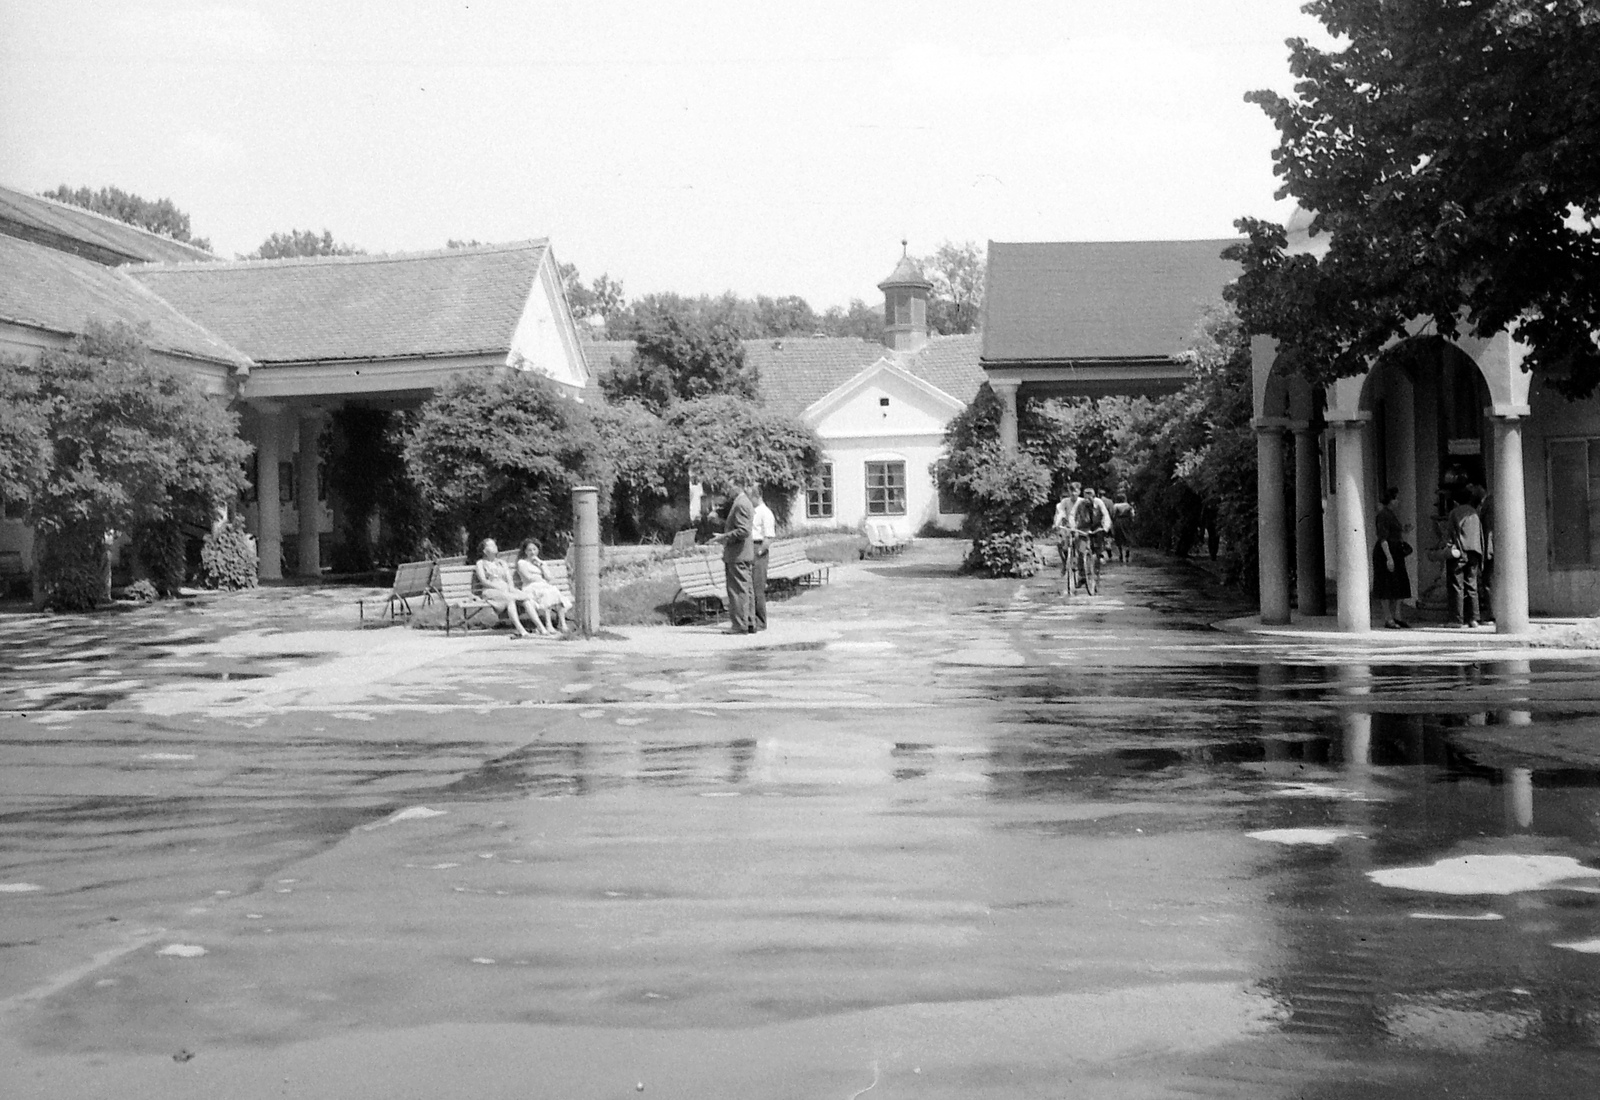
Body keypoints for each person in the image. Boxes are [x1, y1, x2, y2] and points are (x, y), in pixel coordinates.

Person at [472, 537, 538, 639]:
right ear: (485, 551)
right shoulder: (480, 563)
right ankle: (521, 630)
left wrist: (511, 587)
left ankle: (541, 627)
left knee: (525, 598)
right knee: (510, 599)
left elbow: (509, 579)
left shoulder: (502, 563)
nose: (495, 546)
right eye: (491, 545)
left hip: (506, 588)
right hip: (490, 590)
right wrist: (497, 587)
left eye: (495, 544)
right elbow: (484, 581)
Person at [717, 482, 756, 634]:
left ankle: (739, 625)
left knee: (738, 590)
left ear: (737, 487)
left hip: (738, 554)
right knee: (747, 589)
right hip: (743, 554)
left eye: (729, 487)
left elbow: (743, 531)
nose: (727, 491)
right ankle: (750, 622)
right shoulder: (745, 502)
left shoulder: (740, 504)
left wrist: (724, 537)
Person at [1371, 487, 1411, 628]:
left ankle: (1397, 615)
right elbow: (1383, 537)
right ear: (1391, 500)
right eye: (1396, 498)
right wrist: (1389, 557)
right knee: (1386, 585)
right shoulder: (1383, 515)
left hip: (1396, 550)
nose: (1398, 501)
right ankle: (1388, 618)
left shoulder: (1392, 515)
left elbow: (1394, 533)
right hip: (1386, 552)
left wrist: (1404, 530)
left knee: (1398, 584)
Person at [1447, 485, 1485, 628]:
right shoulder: (1474, 513)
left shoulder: (1454, 513)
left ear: (1456, 501)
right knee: (1472, 585)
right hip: (1474, 552)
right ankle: (1473, 618)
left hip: (1460, 552)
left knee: (1457, 585)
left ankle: (1456, 620)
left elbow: (1450, 533)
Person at [515, 538, 572, 635]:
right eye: (529, 550)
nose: (532, 552)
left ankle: (562, 624)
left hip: (544, 587)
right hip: (531, 588)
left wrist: (541, 565)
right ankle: (549, 624)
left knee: (555, 593)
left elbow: (549, 578)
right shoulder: (522, 563)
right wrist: (541, 579)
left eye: (534, 549)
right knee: (549, 592)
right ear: (525, 551)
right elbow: (528, 578)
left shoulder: (541, 563)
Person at [750, 484, 776, 632]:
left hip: (758, 549)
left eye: (751, 496)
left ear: (756, 496)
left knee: (758, 587)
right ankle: (751, 619)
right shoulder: (753, 511)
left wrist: (759, 552)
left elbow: (768, 537)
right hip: (750, 548)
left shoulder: (765, 513)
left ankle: (760, 621)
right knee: (751, 587)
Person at [1052, 482, 1082, 577]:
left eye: (1075, 491)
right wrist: (1056, 524)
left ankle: (1080, 565)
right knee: (1062, 545)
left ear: (1079, 492)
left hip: (1080, 527)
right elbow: (1060, 513)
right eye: (1071, 491)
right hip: (1068, 527)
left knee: (1080, 545)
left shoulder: (1082, 502)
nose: (1073, 494)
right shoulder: (1065, 502)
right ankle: (1065, 563)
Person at [1110, 490, 1136, 564]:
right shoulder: (1128, 506)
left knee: (1118, 537)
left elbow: (1113, 514)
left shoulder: (1116, 505)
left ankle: (1121, 553)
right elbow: (1132, 515)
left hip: (1118, 522)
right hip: (1126, 522)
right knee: (1127, 536)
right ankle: (1127, 551)